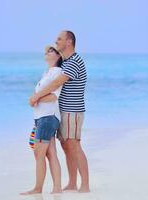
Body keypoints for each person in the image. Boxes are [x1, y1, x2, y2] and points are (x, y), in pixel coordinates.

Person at [29, 30, 90, 193]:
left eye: (59, 39)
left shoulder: (74, 61)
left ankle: (85, 185)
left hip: (73, 110)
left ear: (69, 42)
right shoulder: (66, 61)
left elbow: (56, 84)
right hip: (63, 111)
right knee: (66, 146)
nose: (56, 41)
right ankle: (71, 183)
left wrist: (36, 97)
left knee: (74, 145)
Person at [21, 46, 63, 195]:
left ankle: (38, 189)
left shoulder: (57, 72)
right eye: (46, 51)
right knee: (50, 153)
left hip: (47, 117)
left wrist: (36, 98)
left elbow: (54, 96)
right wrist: (34, 98)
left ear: (58, 56)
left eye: (51, 51)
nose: (47, 53)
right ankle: (57, 188)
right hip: (41, 118)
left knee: (39, 154)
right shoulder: (47, 73)